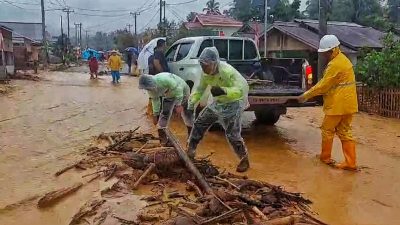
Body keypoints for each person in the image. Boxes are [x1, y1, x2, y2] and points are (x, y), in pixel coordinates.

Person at [298, 35, 358, 170]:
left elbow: (323, 86)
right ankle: (351, 162)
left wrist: (306, 95)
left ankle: (325, 158)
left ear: (332, 50)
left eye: (325, 53)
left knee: (327, 129)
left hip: (338, 105)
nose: (324, 55)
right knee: (344, 131)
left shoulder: (334, 64)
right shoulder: (344, 60)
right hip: (349, 104)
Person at [186, 47, 250, 173]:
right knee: (200, 122)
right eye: (202, 65)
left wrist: (224, 90)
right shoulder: (205, 74)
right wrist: (191, 103)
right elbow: (199, 89)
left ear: (214, 63)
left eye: (206, 65)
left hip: (234, 102)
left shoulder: (227, 71)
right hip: (219, 101)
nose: (204, 68)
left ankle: (244, 159)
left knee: (232, 134)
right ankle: (190, 150)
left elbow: (241, 90)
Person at [139, 73, 194, 145]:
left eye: (149, 88)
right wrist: (155, 114)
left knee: (186, 113)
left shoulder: (164, 79)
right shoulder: (150, 89)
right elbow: (155, 100)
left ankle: (191, 135)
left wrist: (178, 105)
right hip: (168, 95)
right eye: (147, 89)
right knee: (165, 113)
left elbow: (179, 90)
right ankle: (163, 139)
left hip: (182, 90)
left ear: (152, 82)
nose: (148, 90)